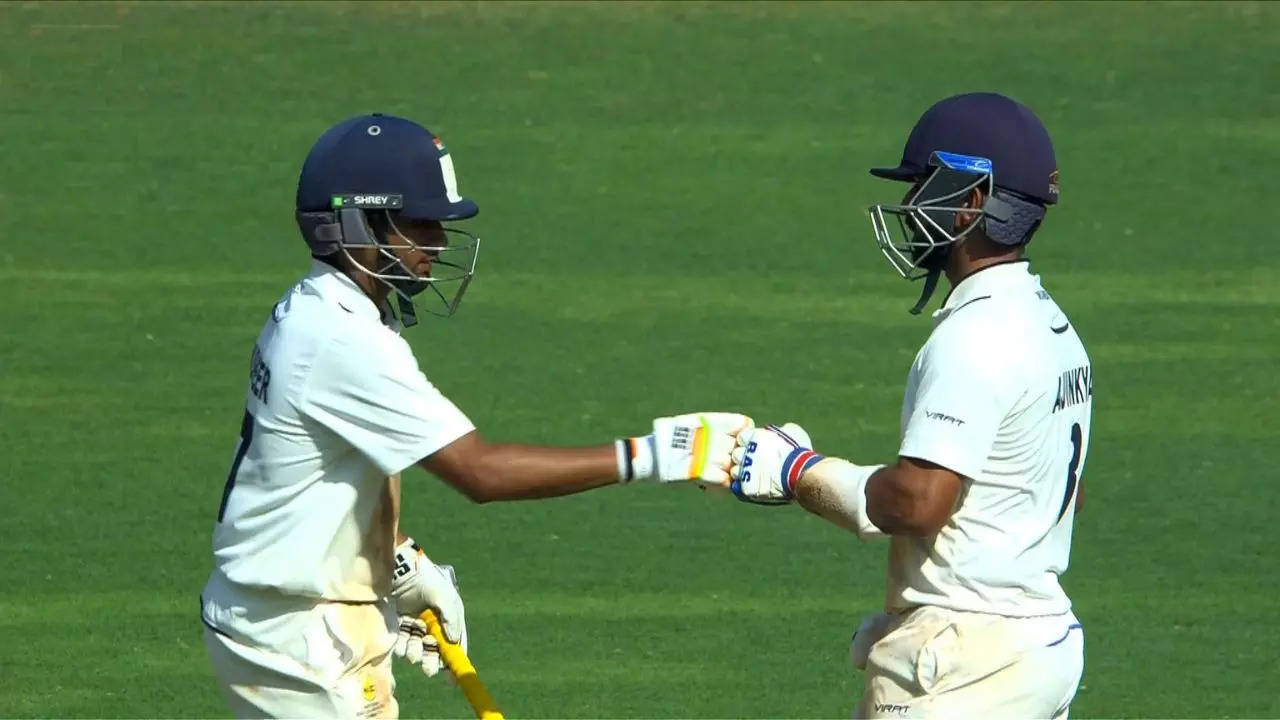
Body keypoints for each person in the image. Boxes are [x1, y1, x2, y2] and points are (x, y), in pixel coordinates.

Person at [199, 112, 750, 718]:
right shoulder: (340, 340)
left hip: (280, 613)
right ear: (356, 223)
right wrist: (655, 454)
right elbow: (480, 472)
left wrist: (397, 563)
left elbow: (321, 473)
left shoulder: (322, 311)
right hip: (299, 636)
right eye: (419, 223)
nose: (437, 242)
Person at [722, 93, 1091, 718]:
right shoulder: (1053, 327)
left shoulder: (975, 336)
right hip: (1041, 645)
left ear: (971, 200)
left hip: (968, 661)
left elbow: (919, 503)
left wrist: (798, 473)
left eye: (924, 186)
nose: (912, 206)